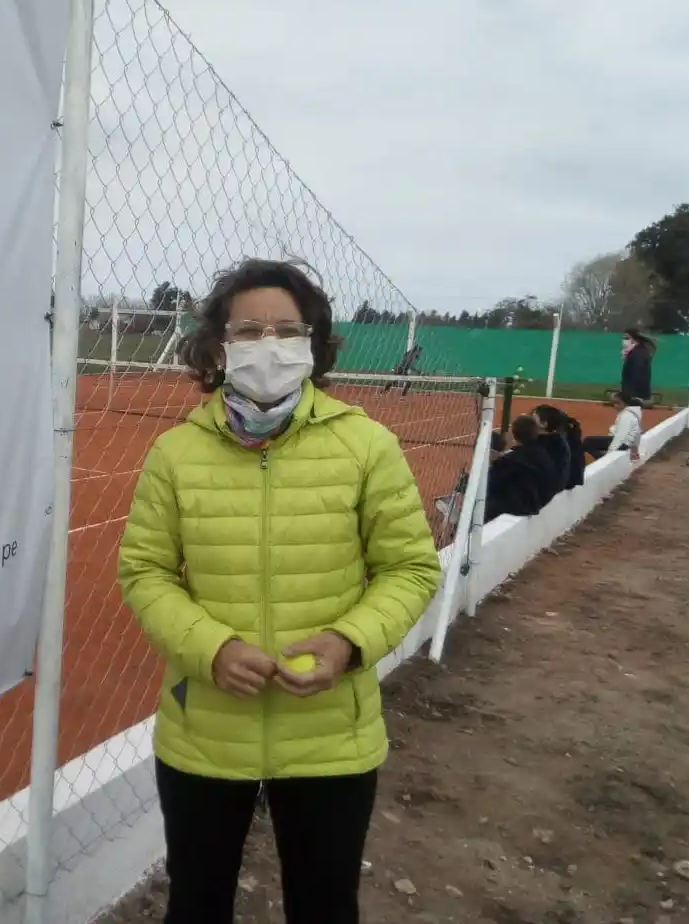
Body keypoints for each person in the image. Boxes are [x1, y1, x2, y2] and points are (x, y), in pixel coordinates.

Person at [117, 258, 442, 924]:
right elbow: (144, 570)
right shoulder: (175, 453)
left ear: (315, 344)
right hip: (203, 730)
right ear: (218, 345)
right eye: (250, 330)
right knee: (195, 903)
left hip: (332, 737)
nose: (269, 346)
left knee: (325, 906)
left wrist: (348, 644)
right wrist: (208, 648)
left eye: (288, 330)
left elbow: (410, 567)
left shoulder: (366, 446)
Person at [483, 415, 560, 521]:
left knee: (475, 494)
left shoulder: (510, 460)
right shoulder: (542, 452)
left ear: (514, 435)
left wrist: (492, 463)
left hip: (522, 504)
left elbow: (488, 482)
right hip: (538, 499)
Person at [583, 391, 642, 461]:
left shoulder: (626, 416)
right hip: (626, 444)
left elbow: (620, 436)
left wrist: (609, 455)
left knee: (587, 442)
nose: (615, 405)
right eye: (614, 403)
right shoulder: (630, 413)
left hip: (623, 445)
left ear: (626, 403)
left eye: (618, 403)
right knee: (592, 441)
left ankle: (602, 460)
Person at [530, 405, 574, 491]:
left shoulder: (542, 445)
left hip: (546, 489)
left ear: (544, 424)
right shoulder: (559, 440)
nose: (529, 420)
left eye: (533, 417)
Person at [621, 328, 656, 404]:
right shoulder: (636, 352)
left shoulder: (638, 354)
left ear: (634, 340)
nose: (624, 341)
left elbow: (637, 374)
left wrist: (630, 395)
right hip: (635, 394)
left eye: (627, 338)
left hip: (635, 395)